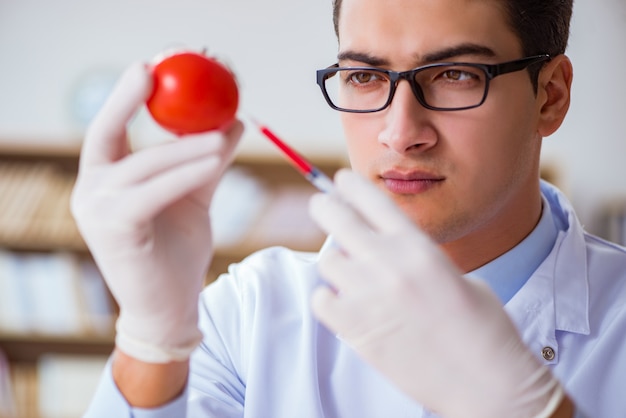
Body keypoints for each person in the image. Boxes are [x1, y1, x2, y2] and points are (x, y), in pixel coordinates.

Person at [75, 0, 626, 416]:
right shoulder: (245, 316)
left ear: (549, 96)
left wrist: (538, 411)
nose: (400, 133)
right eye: (365, 76)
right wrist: (152, 342)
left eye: (457, 74)